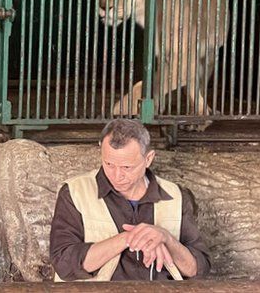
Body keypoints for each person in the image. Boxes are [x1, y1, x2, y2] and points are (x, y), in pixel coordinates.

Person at [49, 119, 211, 281]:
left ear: (148, 159)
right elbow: (64, 264)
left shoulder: (176, 195)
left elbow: (198, 269)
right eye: (109, 164)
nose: (116, 176)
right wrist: (128, 238)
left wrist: (167, 239)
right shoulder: (75, 192)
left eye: (127, 167)